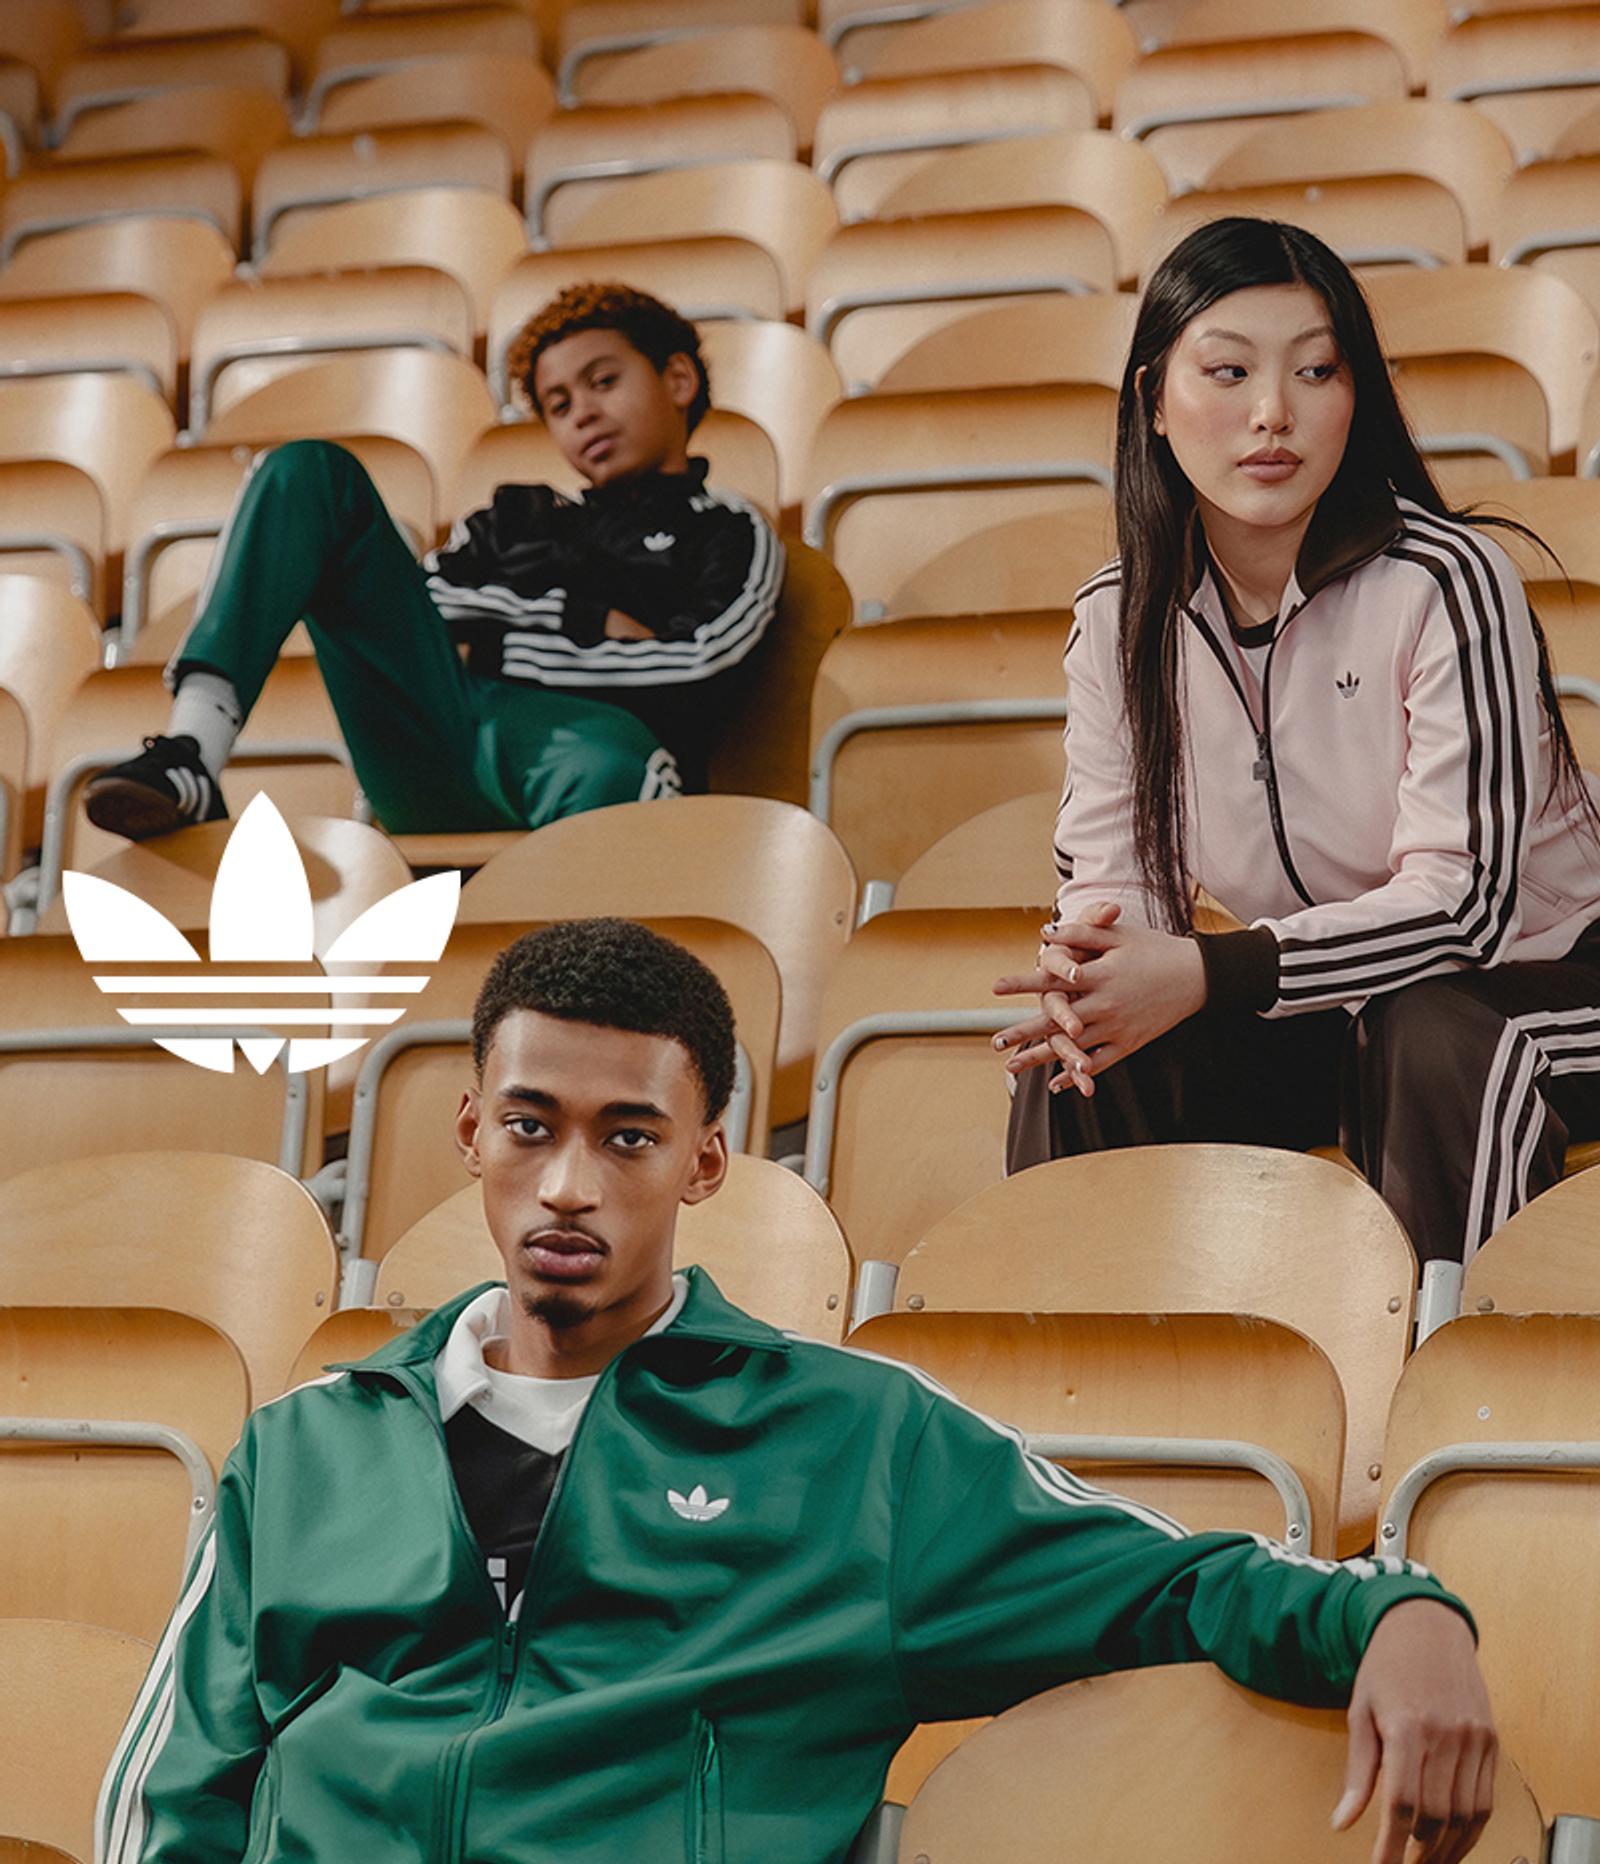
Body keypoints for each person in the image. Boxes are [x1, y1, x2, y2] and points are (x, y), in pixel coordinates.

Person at [98, 917, 1497, 1864]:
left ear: (706, 1163)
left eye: (627, 1137)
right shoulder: (301, 1453)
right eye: (531, 1126)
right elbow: (175, 1795)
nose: (570, 1183)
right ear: (472, 1131)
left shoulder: (853, 1447)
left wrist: (1400, 1613)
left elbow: (1170, 1584)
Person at [995, 216, 1600, 1267]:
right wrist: (1093, 977)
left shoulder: (1447, 580)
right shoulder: (1115, 618)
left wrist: (1214, 972)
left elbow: (1469, 902)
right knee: (1080, 1059)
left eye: (1317, 370)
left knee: (1436, 1032)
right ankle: (1084, 1400)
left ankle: (1441, 1396)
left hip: (1543, 981)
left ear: (1355, 396)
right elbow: (1116, 883)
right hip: (1327, 995)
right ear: (1153, 400)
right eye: (1227, 371)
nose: (1271, 413)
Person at [85, 284, 784, 840]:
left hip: (588, 754)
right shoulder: (513, 518)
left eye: (604, 381)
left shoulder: (729, 528)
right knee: (309, 472)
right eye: (558, 404)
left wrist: (490, 644)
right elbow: (428, 609)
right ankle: (192, 749)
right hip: (434, 734)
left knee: (614, 759)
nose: (582, 414)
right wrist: (583, 619)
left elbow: (699, 662)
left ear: (680, 379)